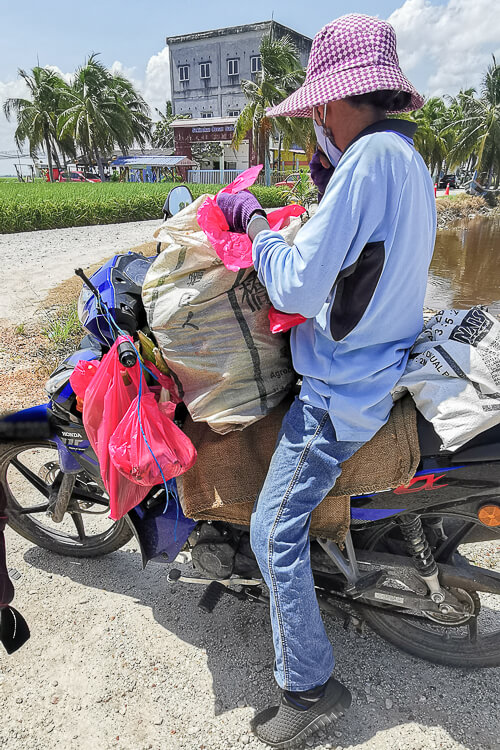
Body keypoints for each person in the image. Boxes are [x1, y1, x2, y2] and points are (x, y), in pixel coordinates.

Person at [217, 13, 436, 748]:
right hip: (379, 363)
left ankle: (308, 687)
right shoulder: (405, 160)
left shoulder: (368, 162)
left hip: (341, 394)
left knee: (271, 531)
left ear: (346, 100)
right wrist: (321, 198)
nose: (314, 119)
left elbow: (296, 291)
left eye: (319, 107)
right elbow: (358, 262)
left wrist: (256, 229)